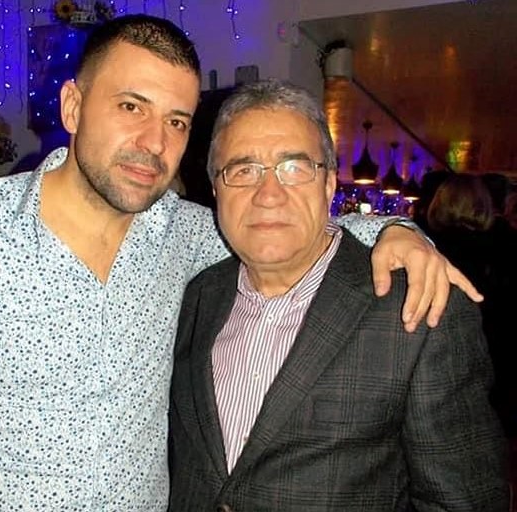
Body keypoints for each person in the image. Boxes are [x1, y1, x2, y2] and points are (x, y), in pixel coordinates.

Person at [0, 15, 478, 511]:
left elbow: (283, 225)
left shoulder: (190, 236)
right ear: (73, 107)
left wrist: (398, 229)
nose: (154, 143)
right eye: (131, 107)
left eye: (176, 121)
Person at [168, 79, 507, 511]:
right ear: (216, 189)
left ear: (329, 184)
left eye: (294, 167)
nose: (268, 194)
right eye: (243, 170)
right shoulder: (196, 296)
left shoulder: (420, 309)